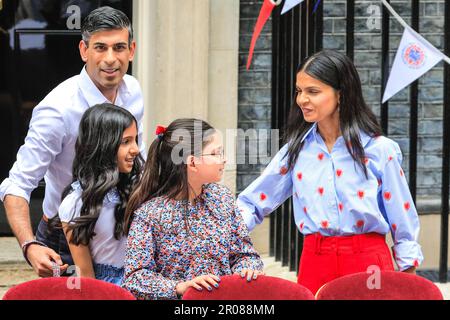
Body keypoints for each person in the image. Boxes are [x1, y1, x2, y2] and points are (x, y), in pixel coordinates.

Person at [236, 50, 424, 295]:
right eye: (299, 91)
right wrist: (217, 238)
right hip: (315, 262)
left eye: (313, 91)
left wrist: (408, 274)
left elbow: (402, 216)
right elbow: (253, 203)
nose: (302, 99)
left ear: (341, 94)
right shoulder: (295, 151)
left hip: (368, 264)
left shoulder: (379, 150)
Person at [0, 6, 145, 277]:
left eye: (119, 47)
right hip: (66, 235)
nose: (111, 59)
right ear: (83, 50)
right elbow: (16, 185)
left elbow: (137, 156)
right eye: (100, 47)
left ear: (132, 50)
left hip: (121, 229)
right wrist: (30, 246)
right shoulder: (57, 110)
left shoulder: (134, 91)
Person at [122, 119, 264, 300]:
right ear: (192, 163)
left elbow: (244, 254)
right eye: (216, 153)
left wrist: (248, 268)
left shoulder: (223, 198)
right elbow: (135, 278)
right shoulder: (149, 215)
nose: (224, 159)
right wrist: (180, 287)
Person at [58, 103, 142, 285]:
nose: (135, 149)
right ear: (102, 146)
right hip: (106, 285)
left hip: (144, 279)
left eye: (135, 140)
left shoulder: (137, 188)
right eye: (125, 142)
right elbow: (85, 277)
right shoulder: (76, 203)